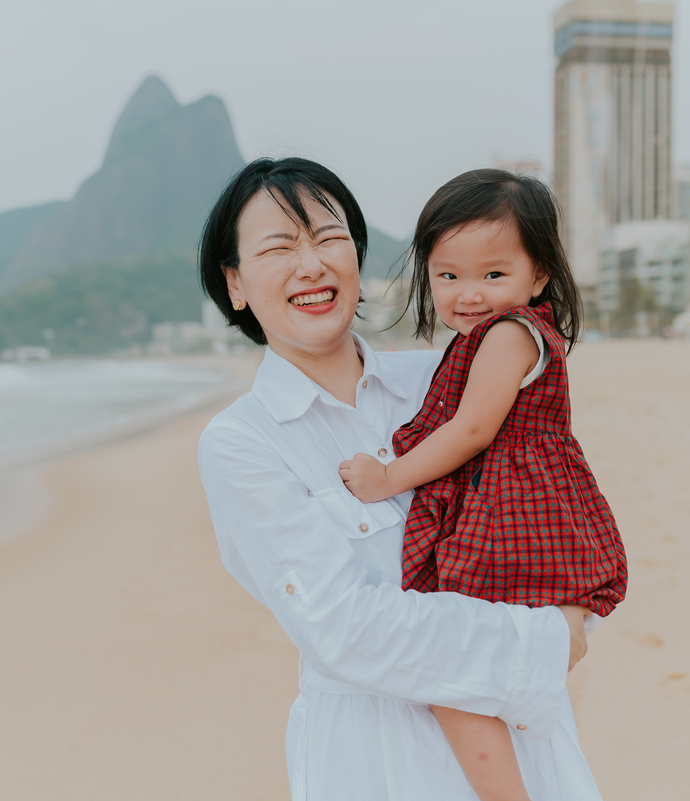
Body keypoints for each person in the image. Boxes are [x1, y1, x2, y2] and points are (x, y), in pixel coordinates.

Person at [197, 157, 599, 801]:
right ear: (235, 283)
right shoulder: (244, 442)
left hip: (521, 747)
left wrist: (563, 623)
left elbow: (541, 524)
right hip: (374, 760)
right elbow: (344, 631)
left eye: (329, 238)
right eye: (279, 247)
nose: (311, 264)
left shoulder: (441, 385)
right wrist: (545, 640)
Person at [339, 169, 628, 801]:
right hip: (523, 516)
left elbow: (471, 430)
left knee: (451, 674)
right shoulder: (483, 338)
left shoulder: (507, 335)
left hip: (517, 524)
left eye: (493, 274)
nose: (469, 293)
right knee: (483, 671)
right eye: (448, 275)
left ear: (540, 275)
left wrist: (387, 477)